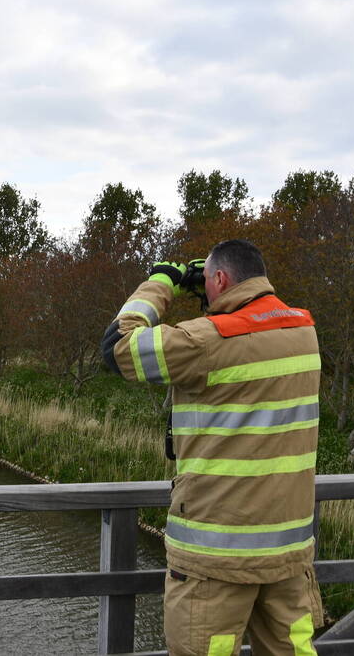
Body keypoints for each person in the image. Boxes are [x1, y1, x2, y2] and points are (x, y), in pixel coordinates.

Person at [100, 239, 323, 656]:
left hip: (215, 559)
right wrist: (212, 293)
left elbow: (117, 348)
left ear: (219, 278)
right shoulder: (303, 331)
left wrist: (161, 283)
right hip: (288, 555)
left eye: (209, 281)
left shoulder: (207, 340)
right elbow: (246, 347)